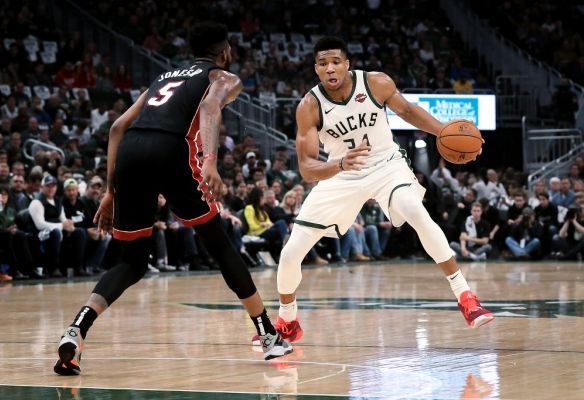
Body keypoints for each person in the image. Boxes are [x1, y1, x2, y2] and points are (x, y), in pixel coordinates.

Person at [54, 22, 292, 376]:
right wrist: (210, 162)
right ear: (224, 51)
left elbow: (118, 126)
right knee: (221, 245)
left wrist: (110, 191)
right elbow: (211, 109)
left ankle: (76, 330)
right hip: (172, 150)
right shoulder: (223, 76)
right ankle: (268, 335)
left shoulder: (163, 78)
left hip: (131, 151)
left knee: (132, 262)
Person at [272, 36, 494, 344]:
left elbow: (408, 111)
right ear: (316, 69)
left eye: (336, 61)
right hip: (343, 172)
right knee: (291, 252)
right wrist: (338, 165)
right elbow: (307, 168)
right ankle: (287, 319)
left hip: (385, 164)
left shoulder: (375, 83)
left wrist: (443, 130)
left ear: (347, 64)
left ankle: (466, 296)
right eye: (323, 64)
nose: (330, 68)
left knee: (416, 210)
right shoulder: (309, 107)